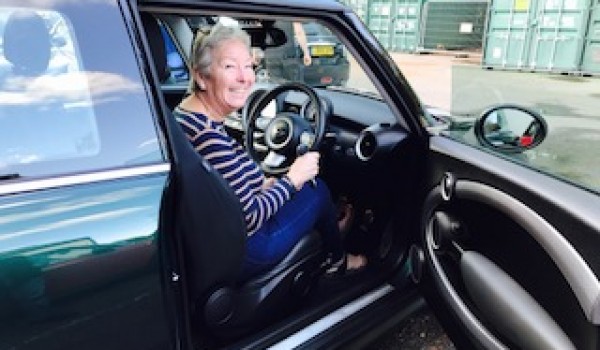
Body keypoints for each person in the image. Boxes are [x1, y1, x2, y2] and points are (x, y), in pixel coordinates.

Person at [174, 23, 366, 280]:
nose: (245, 78)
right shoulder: (208, 138)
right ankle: (337, 258)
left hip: (214, 237)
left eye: (249, 66)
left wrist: (265, 184)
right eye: (230, 66)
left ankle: (328, 225)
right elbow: (250, 218)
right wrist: (292, 179)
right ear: (201, 77)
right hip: (247, 249)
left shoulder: (185, 116)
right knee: (316, 190)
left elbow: (226, 188)